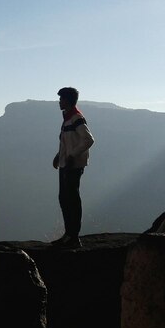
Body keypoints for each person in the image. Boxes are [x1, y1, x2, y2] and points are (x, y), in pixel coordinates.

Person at [51, 87, 95, 248]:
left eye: (61, 99)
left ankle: (73, 236)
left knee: (72, 199)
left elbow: (88, 140)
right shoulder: (67, 118)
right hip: (65, 164)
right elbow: (67, 141)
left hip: (73, 166)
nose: (59, 102)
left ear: (68, 100)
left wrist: (71, 156)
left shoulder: (76, 118)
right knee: (64, 198)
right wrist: (59, 155)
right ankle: (68, 234)